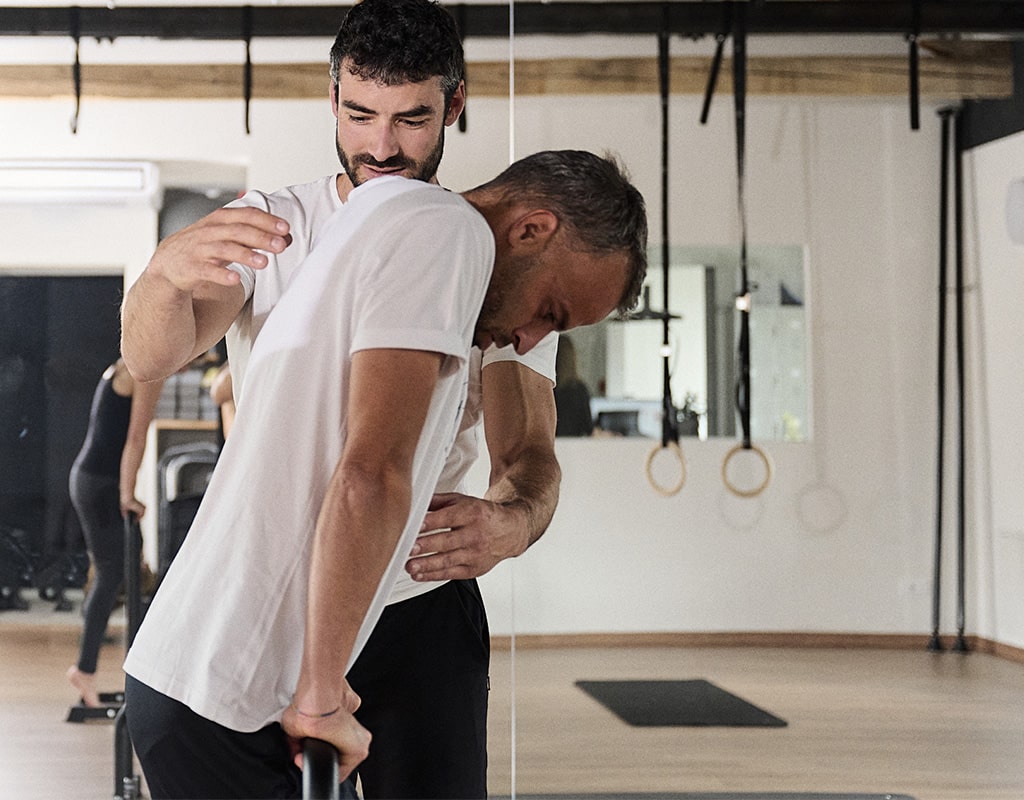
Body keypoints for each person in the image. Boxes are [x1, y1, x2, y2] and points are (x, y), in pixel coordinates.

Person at [118, 1, 559, 796]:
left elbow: (529, 454)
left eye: (412, 118)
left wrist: (514, 520)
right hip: (291, 590)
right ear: (332, 102)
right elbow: (151, 355)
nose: (381, 145)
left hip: (420, 597)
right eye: (360, 115)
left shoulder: (486, 257)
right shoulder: (275, 225)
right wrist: (161, 275)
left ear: (455, 106)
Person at [121, 148, 647, 800]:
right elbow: (370, 475)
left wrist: (323, 668)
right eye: (551, 310)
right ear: (531, 229)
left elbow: (341, 461)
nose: (533, 338)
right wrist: (317, 693)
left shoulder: (389, 215)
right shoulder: (446, 234)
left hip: (218, 678)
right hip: (230, 692)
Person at [65, 359, 163, 708]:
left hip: (89, 478)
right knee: (112, 575)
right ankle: (85, 670)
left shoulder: (122, 366)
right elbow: (136, 437)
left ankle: (94, 670)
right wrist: (127, 494)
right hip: (100, 483)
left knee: (114, 572)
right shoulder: (149, 372)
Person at [552, 334, 595, 436]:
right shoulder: (579, 390)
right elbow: (588, 427)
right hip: (573, 447)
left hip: (549, 444)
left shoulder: (543, 390)